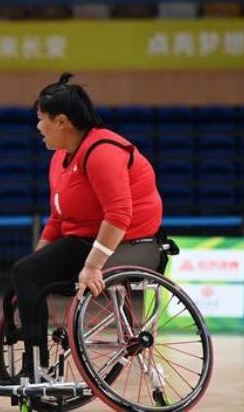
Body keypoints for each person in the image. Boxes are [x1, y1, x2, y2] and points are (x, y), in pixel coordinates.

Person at [10, 72, 164, 376]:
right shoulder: (60, 158)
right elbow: (57, 218)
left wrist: (93, 266)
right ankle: (36, 364)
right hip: (87, 241)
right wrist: (37, 258)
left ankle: (36, 367)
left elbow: (120, 215)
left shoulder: (103, 151)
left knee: (30, 272)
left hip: (134, 245)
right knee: (24, 272)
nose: (38, 127)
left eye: (41, 119)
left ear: (63, 121)